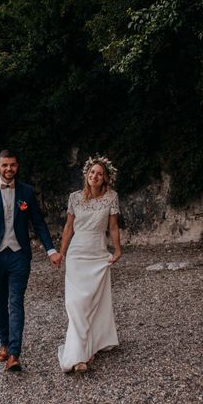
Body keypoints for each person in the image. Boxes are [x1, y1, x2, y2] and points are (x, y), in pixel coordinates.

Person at [0, 149, 63, 372]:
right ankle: (4, 342)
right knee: (0, 301)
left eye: (12, 165)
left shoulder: (26, 192)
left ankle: (14, 353)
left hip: (19, 256)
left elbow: (38, 222)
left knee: (16, 302)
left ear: (17, 166)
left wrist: (51, 250)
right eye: (4, 165)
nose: (8, 169)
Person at [57, 155, 122, 373]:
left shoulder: (112, 197)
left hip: (98, 252)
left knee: (94, 301)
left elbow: (113, 227)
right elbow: (68, 227)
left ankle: (92, 345)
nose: (95, 176)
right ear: (87, 174)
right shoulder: (74, 198)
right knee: (76, 303)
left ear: (105, 179)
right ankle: (79, 355)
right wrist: (61, 253)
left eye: (99, 174)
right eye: (92, 172)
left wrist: (118, 249)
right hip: (76, 254)